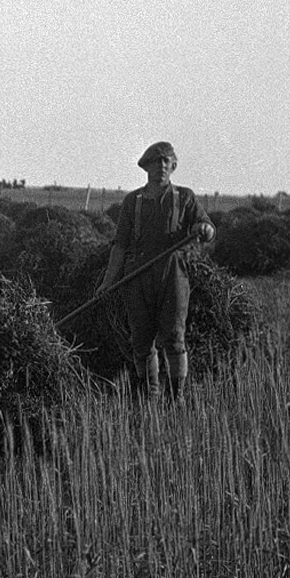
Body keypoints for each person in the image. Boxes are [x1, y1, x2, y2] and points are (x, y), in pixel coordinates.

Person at [98, 140, 214, 396]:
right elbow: (120, 246)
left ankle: (176, 396)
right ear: (146, 166)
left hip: (173, 274)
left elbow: (205, 226)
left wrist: (204, 229)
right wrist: (108, 281)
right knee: (141, 340)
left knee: (174, 336)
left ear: (173, 166)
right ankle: (149, 394)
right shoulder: (133, 201)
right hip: (137, 275)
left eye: (166, 161)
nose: (161, 166)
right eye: (156, 161)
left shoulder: (185, 197)